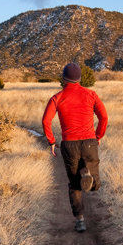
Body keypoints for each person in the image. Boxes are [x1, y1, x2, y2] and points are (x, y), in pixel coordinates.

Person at [41, 62, 108, 232]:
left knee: (74, 185)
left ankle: (80, 220)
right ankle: (87, 173)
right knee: (95, 183)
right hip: (89, 142)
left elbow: (46, 121)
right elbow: (104, 117)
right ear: (79, 78)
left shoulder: (57, 97)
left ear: (63, 79)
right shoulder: (91, 94)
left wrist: (51, 141)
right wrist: (98, 136)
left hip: (69, 145)